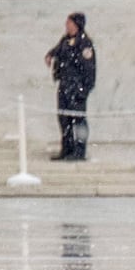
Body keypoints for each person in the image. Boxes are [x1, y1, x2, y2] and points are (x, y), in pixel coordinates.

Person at [48, 12, 97, 162]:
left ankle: (79, 151)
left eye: (69, 24)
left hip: (77, 88)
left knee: (79, 120)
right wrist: (50, 56)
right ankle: (67, 149)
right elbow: (57, 50)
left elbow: (89, 70)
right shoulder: (66, 40)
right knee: (64, 119)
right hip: (64, 85)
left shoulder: (84, 44)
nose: (67, 26)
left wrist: (84, 90)